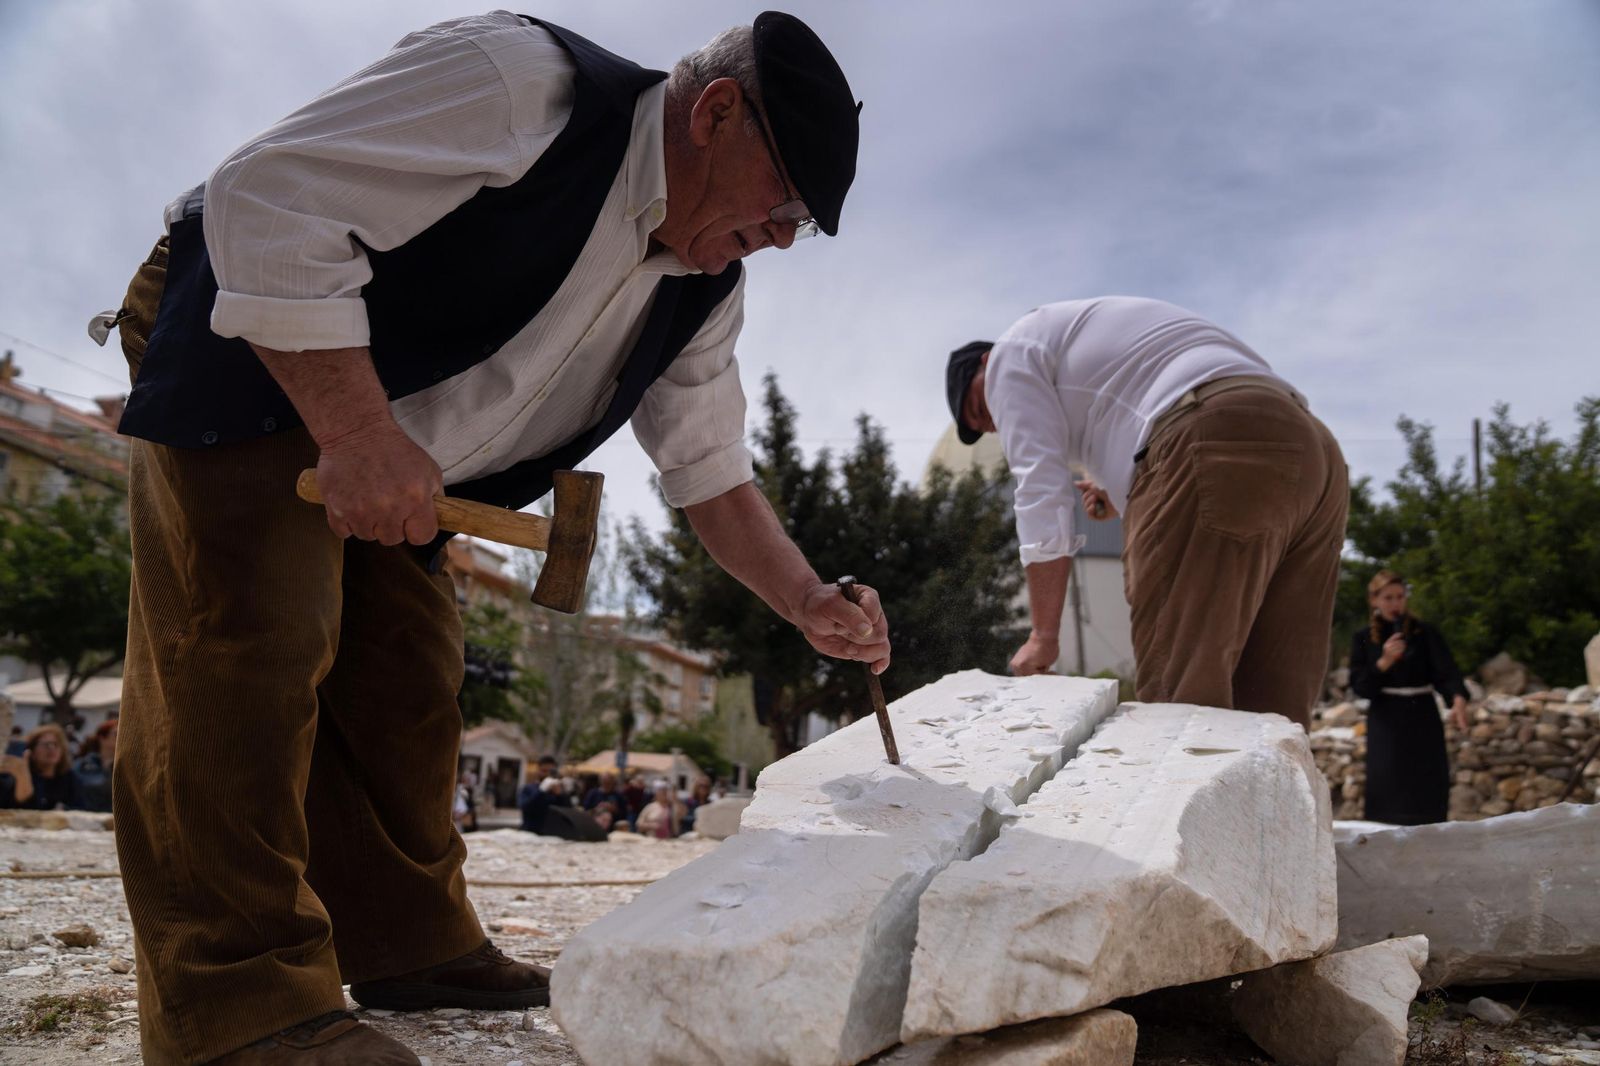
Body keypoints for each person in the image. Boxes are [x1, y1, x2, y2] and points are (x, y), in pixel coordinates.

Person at [96, 12, 889, 1065]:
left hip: (398, 431)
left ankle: (405, 940)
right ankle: (238, 1007)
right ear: (715, 112)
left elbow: (710, 473)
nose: (786, 237)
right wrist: (359, 433)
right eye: (783, 202)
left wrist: (808, 603)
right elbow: (266, 200)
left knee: (410, 671)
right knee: (252, 635)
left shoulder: (706, 286)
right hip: (258, 340)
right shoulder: (522, 86)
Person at [945, 297, 1348, 729]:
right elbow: (1219, 433)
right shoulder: (1094, 344)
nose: (993, 424)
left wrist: (1044, 636)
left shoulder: (1011, 353)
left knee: (1183, 710)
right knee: (1273, 707)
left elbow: (1041, 490)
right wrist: (1120, 488)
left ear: (987, 361)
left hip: (1212, 435)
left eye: (981, 408)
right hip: (1312, 453)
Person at [1349, 570, 1471, 825]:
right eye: (1388, 598)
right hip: (1386, 718)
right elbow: (1360, 687)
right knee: (1388, 779)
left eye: (1400, 597)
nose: (1395, 604)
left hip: (1421, 715)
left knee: (1426, 780)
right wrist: (1384, 662)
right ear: (1374, 600)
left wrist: (1457, 697)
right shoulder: (1361, 638)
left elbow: (1446, 671)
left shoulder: (1424, 633)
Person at [0, 724, 85, 811]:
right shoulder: (21, 775)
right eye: (46, 744)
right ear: (31, 751)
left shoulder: (70, 778)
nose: (52, 748)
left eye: (56, 744)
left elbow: (81, 807)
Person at [74, 719, 119, 813]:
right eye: (116, 734)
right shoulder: (82, 765)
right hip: (84, 817)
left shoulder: (127, 768)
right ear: (102, 738)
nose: (121, 738)